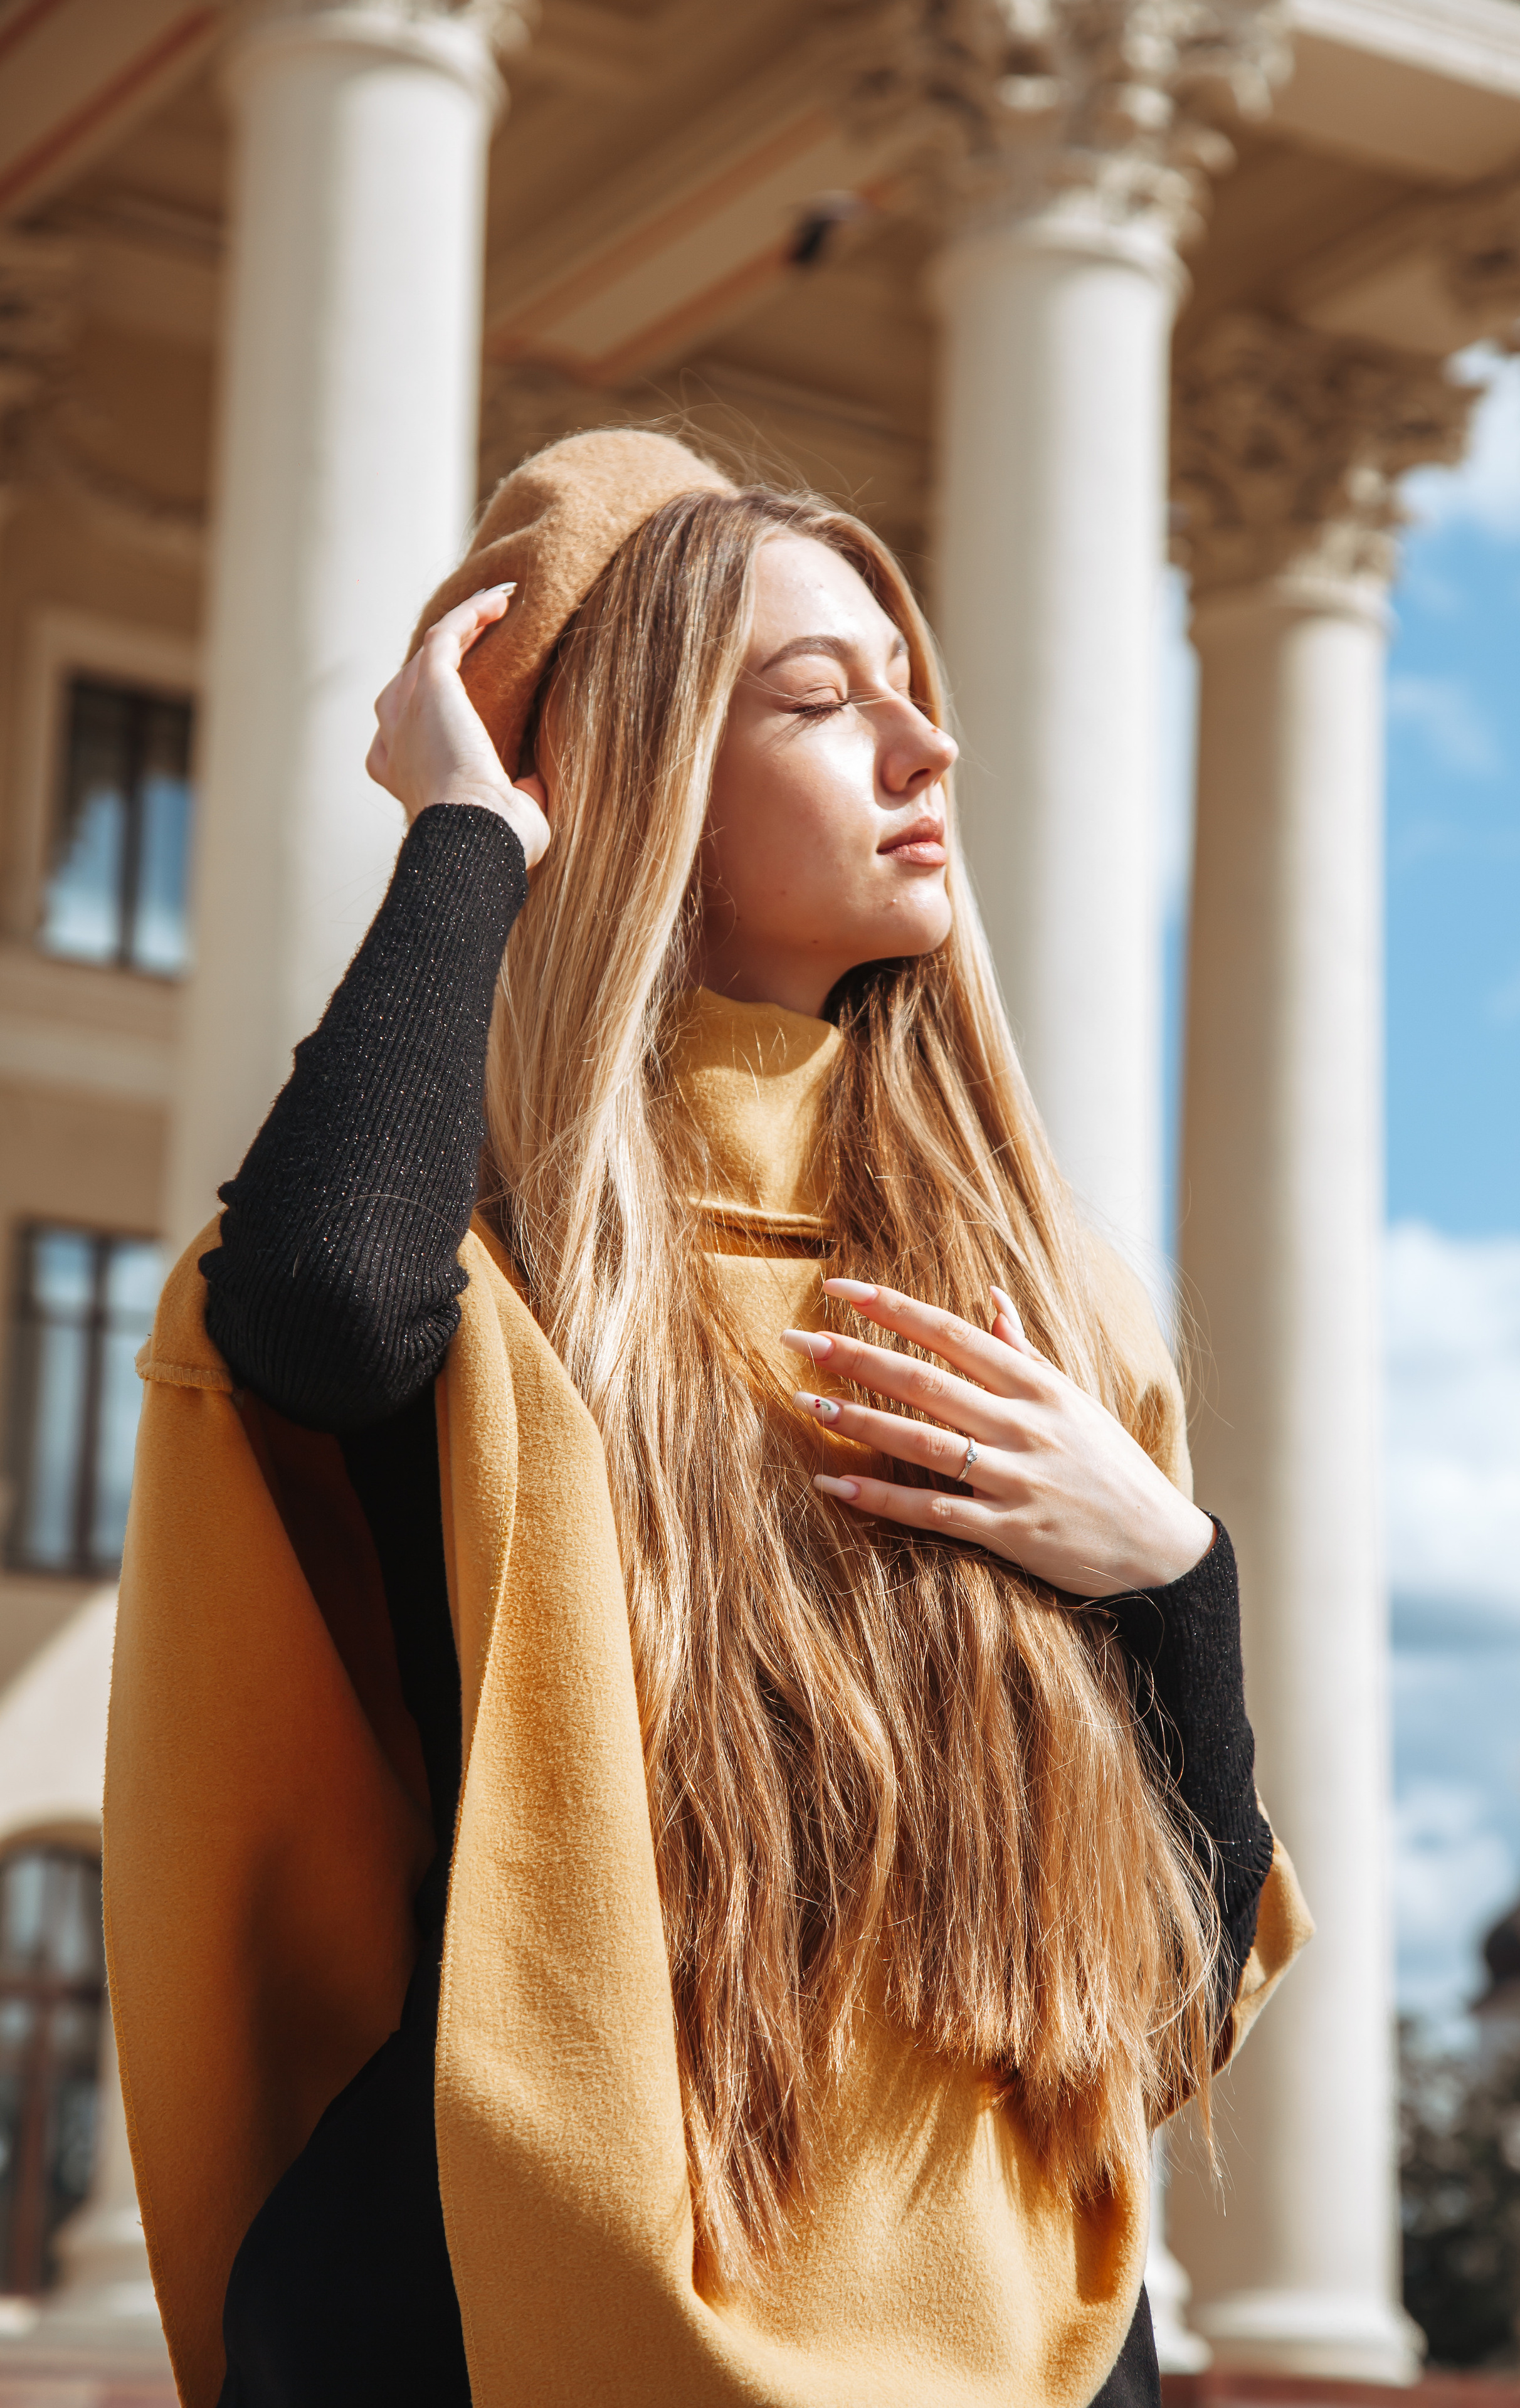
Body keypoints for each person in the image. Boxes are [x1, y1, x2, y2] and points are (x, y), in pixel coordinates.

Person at [105, 430, 1309, 2408]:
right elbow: (316, 1299)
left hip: (1034, 2348)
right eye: (825, 706)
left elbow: (1163, 2002)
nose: (924, 755)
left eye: (914, 700)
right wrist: (471, 829)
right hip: (493, 2321)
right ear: (646, 783)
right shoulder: (505, 1285)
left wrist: (1175, 1574)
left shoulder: (1051, 1327)